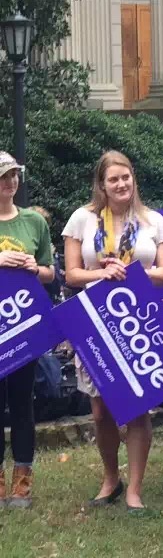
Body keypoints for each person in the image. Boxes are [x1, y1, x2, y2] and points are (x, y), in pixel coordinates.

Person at [63, 151, 163, 512]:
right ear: (102, 184)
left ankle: (135, 490)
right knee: (100, 411)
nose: (121, 184)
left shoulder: (152, 221)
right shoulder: (82, 219)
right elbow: (72, 274)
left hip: (137, 320)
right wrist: (103, 273)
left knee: (137, 407)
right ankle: (111, 479)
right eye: (113, 179)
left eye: (126, 177)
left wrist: (132, 273)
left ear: (133, 178)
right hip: (94, 323)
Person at [0, 153, 55, 508]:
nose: (10, 182)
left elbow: (51, 273)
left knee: (22, 402)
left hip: (23, 325)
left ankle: (22, 483)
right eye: (3, 176)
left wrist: (36, 268)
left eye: (14, 175)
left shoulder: (34, 222)